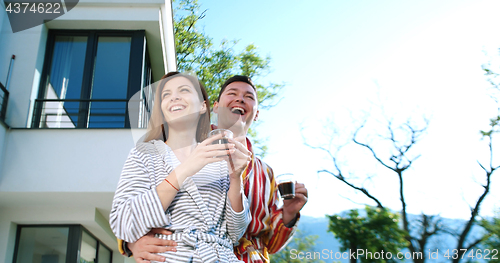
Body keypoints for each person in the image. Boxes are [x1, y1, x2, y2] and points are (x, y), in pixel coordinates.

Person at [119, 75, 308, 263]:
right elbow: (134, 199)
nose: (240, 98)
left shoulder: (266, 174)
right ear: (215, 106)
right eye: (232, 93)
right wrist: (131, 243)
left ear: (256, 113)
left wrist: (289, 214)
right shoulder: (179, 147)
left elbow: (271, 244)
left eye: (249, 97)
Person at [110, 72, 252, 262]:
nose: (174, 97)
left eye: (184, 90)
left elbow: (236, 233)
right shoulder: (144, 154)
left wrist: (236, 179)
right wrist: (185, 169)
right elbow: (123, 223)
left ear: (203, 106)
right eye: (166, 94)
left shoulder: (221, 159)